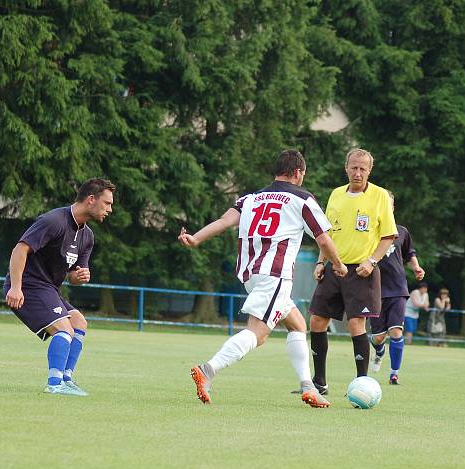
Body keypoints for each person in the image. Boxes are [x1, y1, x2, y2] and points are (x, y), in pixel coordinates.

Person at [179, 150, 347, 407]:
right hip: (275, 274)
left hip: (250, 273)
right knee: (258, 333)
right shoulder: (302, 198)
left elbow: (225, 221)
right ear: (299, 173)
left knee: (298, 325)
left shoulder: (251, 198)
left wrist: (196, 237)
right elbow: (323, 238)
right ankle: (208, 370)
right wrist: (338, 265)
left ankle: (308, 386)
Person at [4, 178, 115, 396]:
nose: (110, 209)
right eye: (107, 203)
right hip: (29, 285)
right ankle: (54, 384)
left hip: (49, 288)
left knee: (79, 322)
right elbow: (20, 249)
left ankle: (66, 379)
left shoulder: (87, 236)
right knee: (64, 328)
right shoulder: (54, 220)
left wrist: (79, 276)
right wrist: (16, 287)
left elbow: (73, 275)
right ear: (91, 200)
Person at [308, 148, 398, 394]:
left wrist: (372, 262)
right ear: (346, 168)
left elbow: (388, 236)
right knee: (316, 320)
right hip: (333, 268)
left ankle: (362, 385)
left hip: (361, 271)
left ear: (370, 171)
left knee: (356, 325)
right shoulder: (336, 195)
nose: (358, 173)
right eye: (354, 167)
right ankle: (319, 382)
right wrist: (320, 262)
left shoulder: (379, 196)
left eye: (363, 169)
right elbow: (326, 234)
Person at [368, 191, 424, 385]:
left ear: (392, 207)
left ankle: (394, 373)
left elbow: (410, 253)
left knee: (396, 332)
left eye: (389, 204)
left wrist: (416, 266)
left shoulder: (401, 232)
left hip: (398, 289)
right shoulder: (369, 232)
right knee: (377, 337)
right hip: (373, 289)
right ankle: (379, 350)